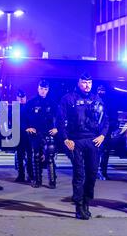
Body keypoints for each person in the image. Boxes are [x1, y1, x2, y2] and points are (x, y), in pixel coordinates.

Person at [57, 73, 109, 220]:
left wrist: (102, 135)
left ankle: (86, 203)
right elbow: (60, 120)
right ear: (79, 82)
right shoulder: (68, 99)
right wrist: (66, 138)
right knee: (80, 175)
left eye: (90, 82)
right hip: (76, 141)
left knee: (92, 174)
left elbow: (106, 120)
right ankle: (79, 207)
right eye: (84, 82)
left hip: (93, 141)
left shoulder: (96, 99)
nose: (87, 85)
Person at [25, 80, 58, 189]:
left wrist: (56, 128)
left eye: (45, 89)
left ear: (47, 90)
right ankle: (37, 180)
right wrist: (27, 127)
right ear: (38, 88)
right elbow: (23, 116)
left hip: (48, 133)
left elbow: (60, 117)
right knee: (36, 157)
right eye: (41, 89)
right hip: (35, 133)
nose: (43, 91)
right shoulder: (31, 102)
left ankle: (52, 181)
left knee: (50, 157)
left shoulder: (52, 102)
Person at [96, 85, 118, 180]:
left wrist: (112, 128)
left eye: (103, 90)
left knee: (105, 152)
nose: (101, 92)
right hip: (95, 131)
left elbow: (113, 117)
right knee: (95, 152)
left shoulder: (110, 103)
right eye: (100, 90)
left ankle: (103, 171)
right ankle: (94, 171)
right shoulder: (94, 101)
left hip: (106, 132)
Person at [14, 90, 34, 183]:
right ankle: (21, 175)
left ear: (26, 98)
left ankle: (30, 175)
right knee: (20, 157)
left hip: (29, 135)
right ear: (17, 98)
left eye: (23, 97)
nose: (21, 99)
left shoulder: (29, 107)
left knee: (29, 156)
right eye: (19, 97)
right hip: (19, 135)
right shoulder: (14, 108)